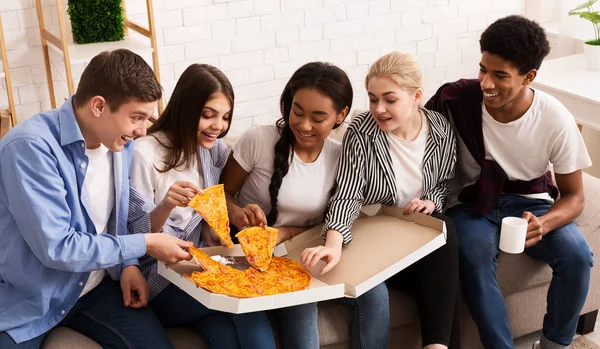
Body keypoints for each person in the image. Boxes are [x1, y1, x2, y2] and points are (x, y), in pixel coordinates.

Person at [0, 49, 193, 349]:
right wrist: (145, 244)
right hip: (30, 301)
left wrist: (129, 264)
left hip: (93, 289)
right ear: (99, 106)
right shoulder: (30, 148)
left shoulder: (119, 144)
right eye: (137, 117)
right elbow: (59, 247)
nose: (143, 130)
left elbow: (119, 216)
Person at [425, 15, 594, 349]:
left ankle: (554, 344)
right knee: (473, 259)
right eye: (483, 69)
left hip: (530, 203)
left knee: (577, 255)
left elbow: (575, 197)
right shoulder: (457, 100)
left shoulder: (552, 117)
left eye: (500, 75)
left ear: (528, 77)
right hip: (472, 204)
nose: (486, 83)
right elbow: (416, 137)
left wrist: (544, 224)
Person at [302, 52, 460, 349]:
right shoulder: (362, 131)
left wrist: (431, 202)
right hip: (374, 244)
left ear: (416, 97)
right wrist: (332, 245)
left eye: (390, 99)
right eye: (373, 99)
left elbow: (444, 183)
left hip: (416, 244)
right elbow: (347, 195)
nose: (379, 108)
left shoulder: (439, 128)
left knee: (445, 233)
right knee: (448, 273)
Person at [129, 63, 276, 349]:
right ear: (186, 108)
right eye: (208, 115)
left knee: (226, 332)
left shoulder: (213, 150)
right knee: (246, 300)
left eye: (225, 117)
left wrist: (218, 222)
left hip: (200, 267)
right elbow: (135, 236)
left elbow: (218, 204)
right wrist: (165, 206)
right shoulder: (143, 153)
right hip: (160, 280)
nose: (218, 127)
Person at [220, 62, 351, 349]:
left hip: (298, 259)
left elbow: (340, 217)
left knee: (305, 315)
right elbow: (220, 194)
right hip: (245, 256)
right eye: (297, 112)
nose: (304, 125)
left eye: (318, 118)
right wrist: (239, 214)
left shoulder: (341, 157)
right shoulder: (259, 139)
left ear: (340, 115)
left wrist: (284, 232)